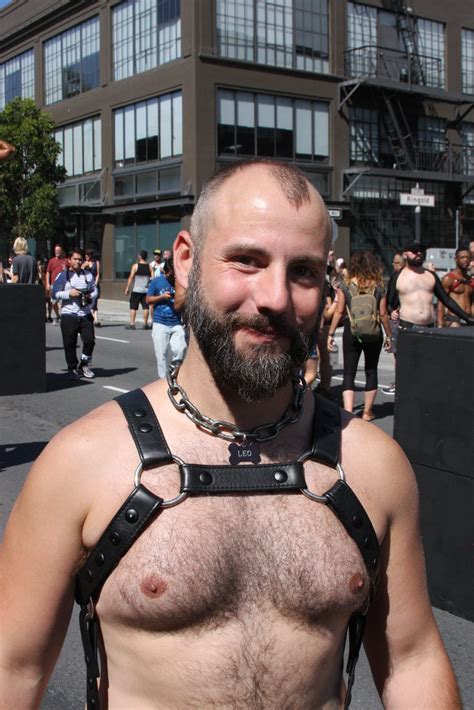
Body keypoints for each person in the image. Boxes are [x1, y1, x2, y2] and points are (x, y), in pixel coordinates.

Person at [0, 160, 460, 710]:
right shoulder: (83, 461)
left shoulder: (373, 466)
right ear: (187, 259)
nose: (275, 298)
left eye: (305, 272)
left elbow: (411, 660)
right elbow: (14, 671)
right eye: (246, 260)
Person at [327, 251, 392, 421]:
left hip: (351, 329)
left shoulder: (345, 285)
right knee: (371, 370)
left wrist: (330, 333)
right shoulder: (378, 285)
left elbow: (340, 311)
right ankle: (367, 412)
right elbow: (383, 314)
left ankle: (348, 411)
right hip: (374, 332)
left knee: (349, 371)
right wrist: (389, 336)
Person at [386, 241, 473, 330]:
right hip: (407, 326)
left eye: (421, 251)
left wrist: (466, 317)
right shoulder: (398, 276)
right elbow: (389, 303)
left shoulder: (431, 276)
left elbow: (446, 300)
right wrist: (392, 312)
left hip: (429, 326)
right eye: (414, 251)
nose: (419, 253)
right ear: (405, 255)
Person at [51, 248, 98, 380]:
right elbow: (54, 295)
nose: (78, 261)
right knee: (69, 344)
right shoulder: (63, 276)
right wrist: (69, 294)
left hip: (85, 313)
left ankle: (84, 364)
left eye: (80, 259)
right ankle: (72, 367)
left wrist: (90, 296)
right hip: (68, 314)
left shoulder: (88, 275)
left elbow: (95, 291)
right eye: (75, 259)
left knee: (90, 341)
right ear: (70, 260)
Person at [146, 256, 187, 378]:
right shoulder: (157, 281)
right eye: (171, 274)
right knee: (161, 354)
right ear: (165, 271)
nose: (173, 277)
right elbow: (148, 300)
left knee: (181, 348)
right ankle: (163, 381)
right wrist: (162, 297)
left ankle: (175, 372)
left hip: (176, 322)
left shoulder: (179, 281)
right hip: (160, 323)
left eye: (175, 274)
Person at [381, 250, 406, 395]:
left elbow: (389, 300)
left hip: (399, 319)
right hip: (407, 318)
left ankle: (399, 382)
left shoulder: (397, 276)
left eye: (396, 262)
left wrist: (392, 312)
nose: (393, 264)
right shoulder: (411, 276)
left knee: (398, 353)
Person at [438, 247, 473, 327]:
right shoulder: (448, 279)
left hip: (470, 319)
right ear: (456, 259)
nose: (465, 260)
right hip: (454, 319)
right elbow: (441, 302)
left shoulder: (470, 280)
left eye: (468, 257)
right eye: (462, 257)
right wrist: (440, 323)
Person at [124, 250, 152, 329]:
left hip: (136, 290)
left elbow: (131, 277)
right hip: (146, 290)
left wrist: (127, 288)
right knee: (146, 307)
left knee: (133, 307)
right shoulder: (149, 266)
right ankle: (145, 324)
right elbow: (152, 278)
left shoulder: (135, 266)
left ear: (140, 256)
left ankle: (132, 324)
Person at [46, 244, 68, 324]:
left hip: (64, 286)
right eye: (55, 251)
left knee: (63, 303)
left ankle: (63, 317)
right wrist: (48, 283)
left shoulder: (66, 261)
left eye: (58, 251)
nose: (57, 252)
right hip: (54, 285)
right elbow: (48, 272)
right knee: (53, 302)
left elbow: (70, 271)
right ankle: (58, 315)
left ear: (61, 251)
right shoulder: (51, 261)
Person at [84, 249, 101, 327]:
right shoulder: (85, 263)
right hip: (87, 285)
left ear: (91, 255)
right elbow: (80, 271)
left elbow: (97, 274)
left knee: (94, 301)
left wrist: (96, 283)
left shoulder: (96, 263)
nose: (86, 256)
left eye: (88, 255)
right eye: (86, 255)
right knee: (89, 302)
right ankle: (94, 319)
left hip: (94, 284)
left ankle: (95, 319)